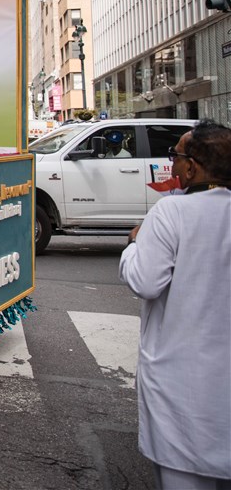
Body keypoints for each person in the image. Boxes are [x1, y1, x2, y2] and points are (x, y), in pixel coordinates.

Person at [119, 120, 231, 490]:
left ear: (193, 166)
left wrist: (134, 244)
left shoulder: (171, 213)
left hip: (183, 381)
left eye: (176, 156)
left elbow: (145, 281)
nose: (172, 164)